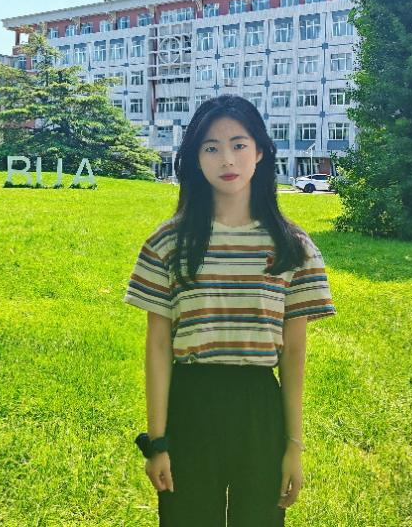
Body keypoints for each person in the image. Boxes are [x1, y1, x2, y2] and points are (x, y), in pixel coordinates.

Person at [123, 94, 337, 526]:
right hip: (191, 405)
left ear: (259, 152)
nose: (227, 159)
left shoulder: (291, 247)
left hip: (259, 408)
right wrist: (158, 441)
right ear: (195, 159)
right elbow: (158, 346)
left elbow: (294, 352)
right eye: (211, 147)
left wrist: (293, 445)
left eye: (239, 144)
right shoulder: (168, 243)